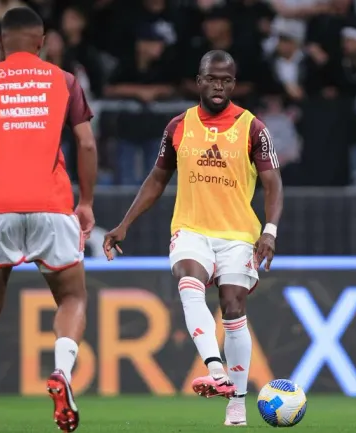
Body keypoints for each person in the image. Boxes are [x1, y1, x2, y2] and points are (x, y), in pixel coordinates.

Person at [103, 50, 284, 427]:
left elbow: (273, 184)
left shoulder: (253, 128)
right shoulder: (178, 126)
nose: (219, 85)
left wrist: (269, 230)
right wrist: (125, 223)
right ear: (199, 80)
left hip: (238, 233)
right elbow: (157, 178)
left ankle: (236, 401)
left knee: (233, 308)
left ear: (233, 84)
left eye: (227, 80)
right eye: (212, 78)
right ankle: (216, 370)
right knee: (189, 280)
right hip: (190, 228)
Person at [0, 7, 97, 433]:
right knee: (72, 298)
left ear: (0, 42)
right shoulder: (64, 80)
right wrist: (85, 201)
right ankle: (62, 374)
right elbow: (86, 145)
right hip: (52, 205)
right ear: (42, 41)